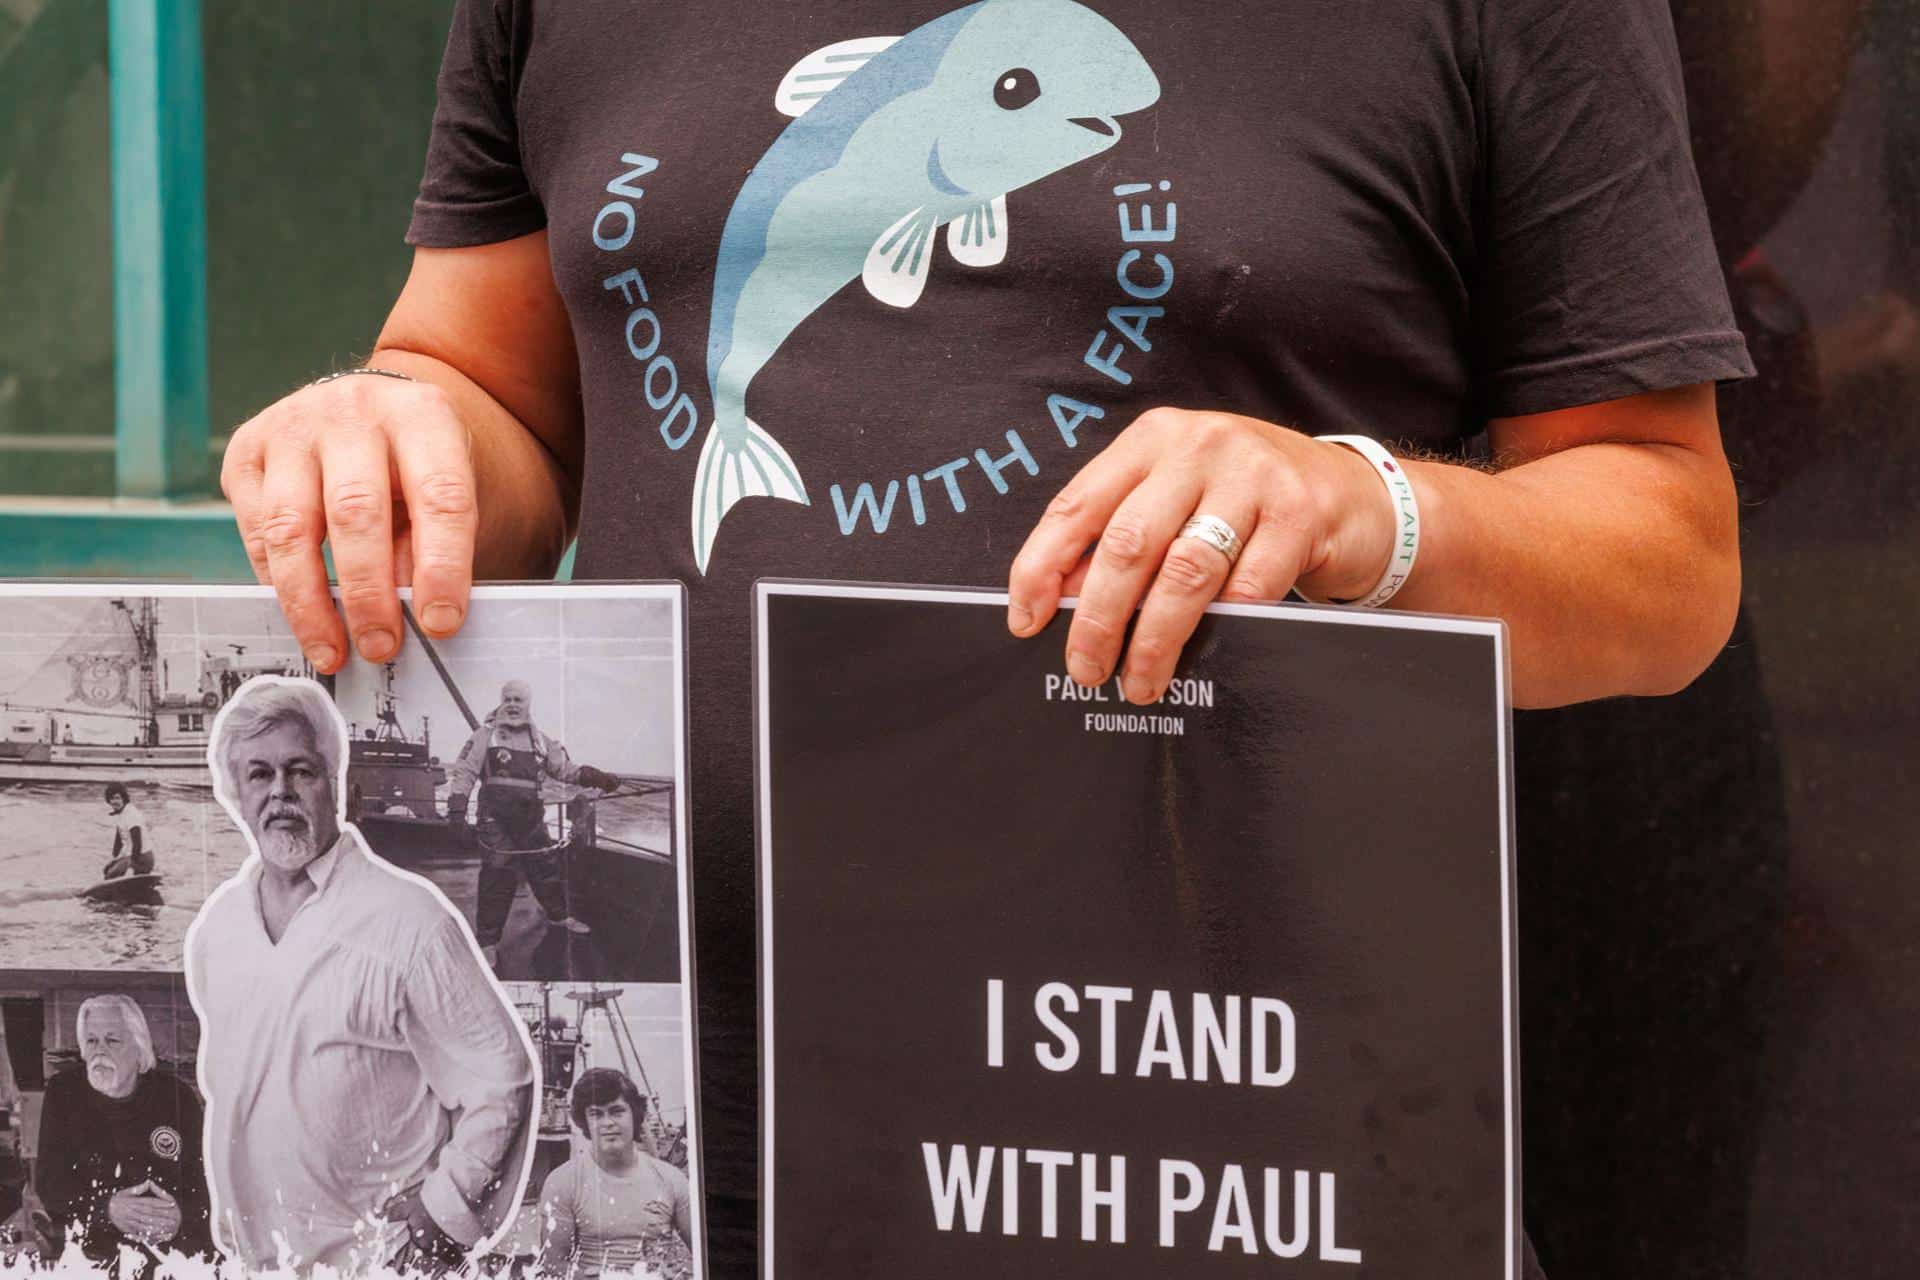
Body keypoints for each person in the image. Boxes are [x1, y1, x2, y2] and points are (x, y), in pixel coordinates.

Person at [219, 3, 1752, 1274]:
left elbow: (1668, 556)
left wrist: (1359, 506)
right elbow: (495, 398)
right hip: (708, 1180)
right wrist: (383, 432)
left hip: (1238, 1158)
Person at [184, 677, 535, 1270]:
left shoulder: (409, 922)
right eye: (259, 775)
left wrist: (444, 1212)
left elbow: (501, 1078)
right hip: (255, 1259)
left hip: (375, 1261)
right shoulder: (217, 930)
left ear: (338, 784)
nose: (281, 793)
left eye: (301, 770)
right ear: (235, 796)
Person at [444, 679, 620, 966]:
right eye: (508, 699)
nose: (513, 705)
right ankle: (488, 941)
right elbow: (464, 772)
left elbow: (565, 770)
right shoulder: (484, 736)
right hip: (495, 819)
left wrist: (599, 777)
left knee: (546, 868)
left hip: (531, 817)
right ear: (501, 702)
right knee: (497, 875)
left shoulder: (540, 740)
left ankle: (559, 917)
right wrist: (456, 811)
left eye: (519, 700)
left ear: (528, 705)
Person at [33, 994, 211, 1262]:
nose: (99, 1051)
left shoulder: (176, 1096)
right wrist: (107, 1209)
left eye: (112, 1040)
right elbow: (50, 1185)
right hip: (92, 1252)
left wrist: (182, 1215)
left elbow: (206, 1183)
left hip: (168, 1252)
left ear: (139, 1048)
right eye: (91, 1041)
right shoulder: (64, 1092)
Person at [538, 1068, 693, 1279]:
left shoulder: (672, 1179)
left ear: (635, 1115)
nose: (607, 1123)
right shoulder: (562, 1182)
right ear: (584, 1121)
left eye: (617, 1111)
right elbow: (553, 1265)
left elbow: (706, 1254)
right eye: (596, 1114)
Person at [99, 784, 153, 881]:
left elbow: (137, 845)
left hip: (143, 858)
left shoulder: (131, 814)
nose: (114, 801)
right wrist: (114, 860)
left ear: (124, 798)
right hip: (132, 856)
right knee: (107, 870)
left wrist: (130, 868)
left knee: (111, 876)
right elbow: (118, 842)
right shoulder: (121, 813)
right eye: (111, 799)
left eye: (117, 798)